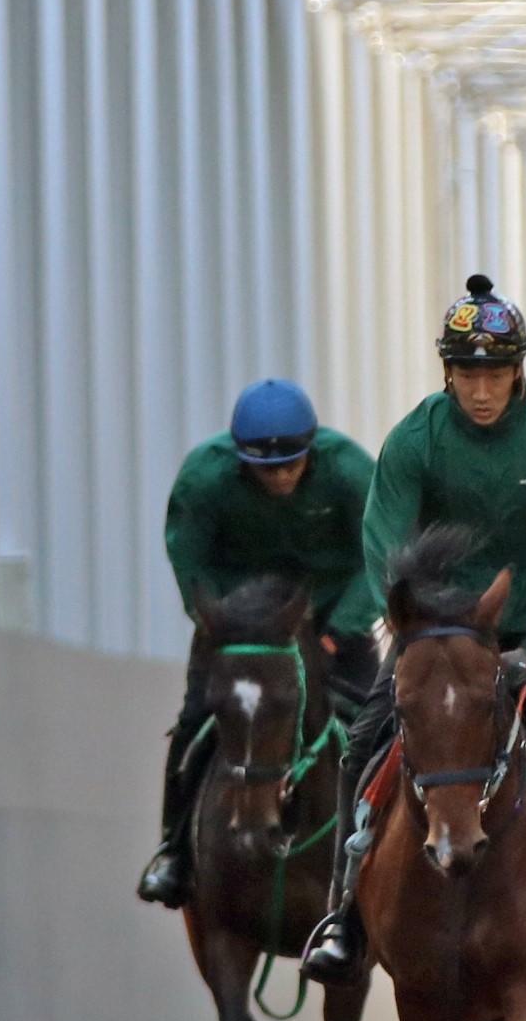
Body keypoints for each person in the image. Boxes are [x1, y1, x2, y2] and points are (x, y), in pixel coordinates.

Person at [300, 276, 526, 987]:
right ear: (447, 374)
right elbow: (382, 544)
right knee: (360, 747)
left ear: (518, 370)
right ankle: (344, 916)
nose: (481, 389)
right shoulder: (414, 441)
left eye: (493, 373)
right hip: (439, 641)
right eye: (467, 374)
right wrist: (415, 626)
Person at [137, 380, 381, 908]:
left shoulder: (351, 472)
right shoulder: (203, 481)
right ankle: (174, 850)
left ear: (312, 451)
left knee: (374, 726)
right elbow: (191, 564)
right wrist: (225, 626)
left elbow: (379, 553)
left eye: (292, 464)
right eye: (267, 468)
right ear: (240, 458)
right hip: (243, 634)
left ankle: (385, 857)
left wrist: (342, 629)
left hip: (333, 622)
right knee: (193, 722)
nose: (282, 477)